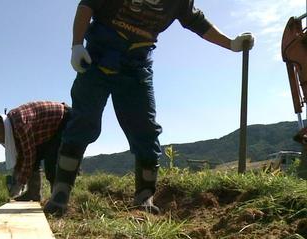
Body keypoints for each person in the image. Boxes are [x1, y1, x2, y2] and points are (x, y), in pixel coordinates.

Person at [44, 0, 255, 216]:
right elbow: (88, 4)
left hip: (135, 67)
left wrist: (230, 43)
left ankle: (144, 196)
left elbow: (196, 21)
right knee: (83, 123)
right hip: (98, 59)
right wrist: (77, 44)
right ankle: (61, 192)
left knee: (145, 129)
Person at [0, 101, 70, 201]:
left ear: (0, 126)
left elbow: (29, 156)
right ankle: (33, 193)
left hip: (62, 120)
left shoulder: (19, 124)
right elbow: (22, 155)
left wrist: (19, 184)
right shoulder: (11, 127)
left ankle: (58, 200)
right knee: (36, 156)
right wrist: (16, 175)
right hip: (46, 129)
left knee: (51, 163)